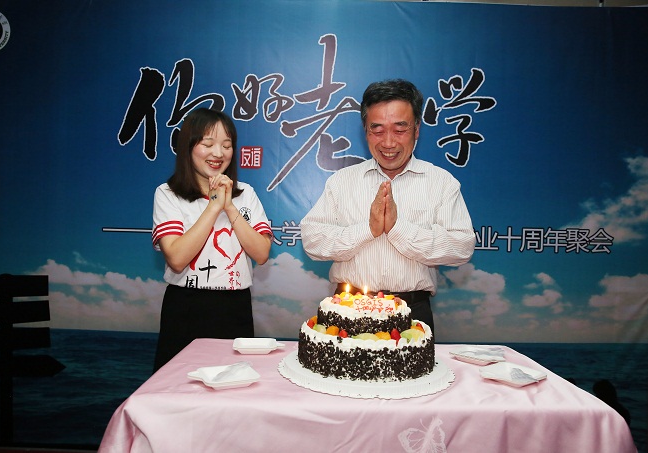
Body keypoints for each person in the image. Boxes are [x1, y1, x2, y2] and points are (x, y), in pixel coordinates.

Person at [300, 79, 475, 336]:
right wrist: (368, 230)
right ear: (365, 131)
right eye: (378, 130)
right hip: (349, 309)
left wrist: (398, 229)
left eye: (400, 129)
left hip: (413, 312)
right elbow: (312, 240)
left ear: (417, 129)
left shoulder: (441, 182)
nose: (389, 142)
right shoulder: (341, 181)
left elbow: (462, 247)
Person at [151, 108, 272, 372]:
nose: (218, 153)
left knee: (234, 384)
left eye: (226, 146)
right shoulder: (168, 194)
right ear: (188, 146)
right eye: (208, 144)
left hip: (235, 306)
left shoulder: (246, 194)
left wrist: (229, 206)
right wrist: (214, 206)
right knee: (178, 383)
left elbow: (262, 253)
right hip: (185, 306)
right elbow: (177, 258)